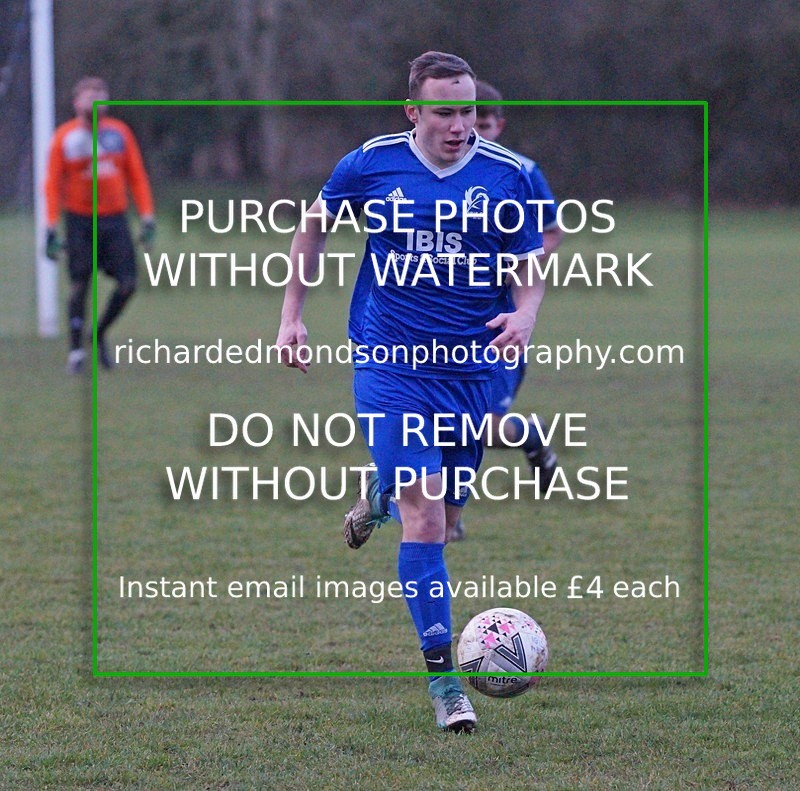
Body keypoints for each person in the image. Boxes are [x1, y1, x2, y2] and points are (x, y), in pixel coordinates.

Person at [277, 51, 546, 733]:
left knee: (448, 521)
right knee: (425, 519)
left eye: (466, 110)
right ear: (414, 112)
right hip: (390, 362)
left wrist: (525, 312)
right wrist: (291, 316)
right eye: (445, 111)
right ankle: (445, 681)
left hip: (470, 370)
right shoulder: (370, 163)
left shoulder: (508, 175)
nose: (460, 124)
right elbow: (313, 229)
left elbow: (531, 261)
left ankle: (377, 493)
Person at [446, 80, 565, 542]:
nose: (476, 132)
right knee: (443, 421)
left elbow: (550, 233)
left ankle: (525, 436)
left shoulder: (520, 171)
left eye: (485, 124)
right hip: (448, 323)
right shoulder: (442, 170)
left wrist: (516, 269)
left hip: (499, 326)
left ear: (498, 124)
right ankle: (442, 518)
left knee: (473, 425)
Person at [44, 76, 155, 374]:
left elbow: (137, 176)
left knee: (128, 283)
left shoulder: (119, 134)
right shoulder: (65, 137)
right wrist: (51, 227)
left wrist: (147, 217)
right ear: (76, 102)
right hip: (80, 219)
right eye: (89, 96)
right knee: (80, 283)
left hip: (114, 218)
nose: (95, 100)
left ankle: (99, 332)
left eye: (100, 94)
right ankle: (76, 351)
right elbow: (53, 184)